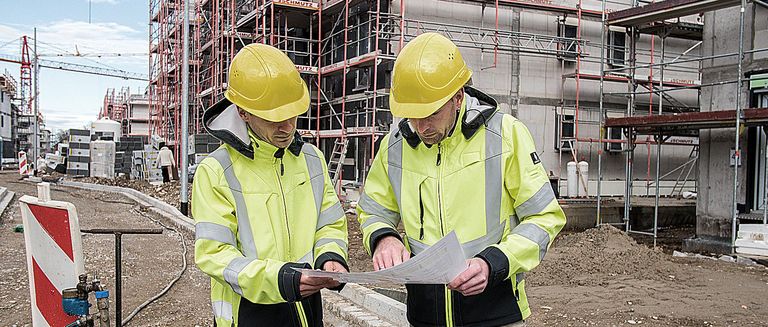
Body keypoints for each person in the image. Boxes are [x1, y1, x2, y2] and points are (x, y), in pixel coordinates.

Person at [357, 33, 566, 327]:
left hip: (495, 311)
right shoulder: (395, 146)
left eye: (431, 114)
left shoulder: (505, 135)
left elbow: (545, 217)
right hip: (424, 314)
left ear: (458, 97)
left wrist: (493, 263)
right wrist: (384, 238)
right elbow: (373, 209)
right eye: (412, 115)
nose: (421, 127)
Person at [192, 43, 349, 326]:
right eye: (274, 119)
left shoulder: (312, 160)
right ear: (243, 112)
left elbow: (330, 223)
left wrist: (330, 257)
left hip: (307, 311)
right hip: (249, 316)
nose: (287, 127)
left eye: (292, 114)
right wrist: (279, 280)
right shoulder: (216, 171)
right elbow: (215, 255)